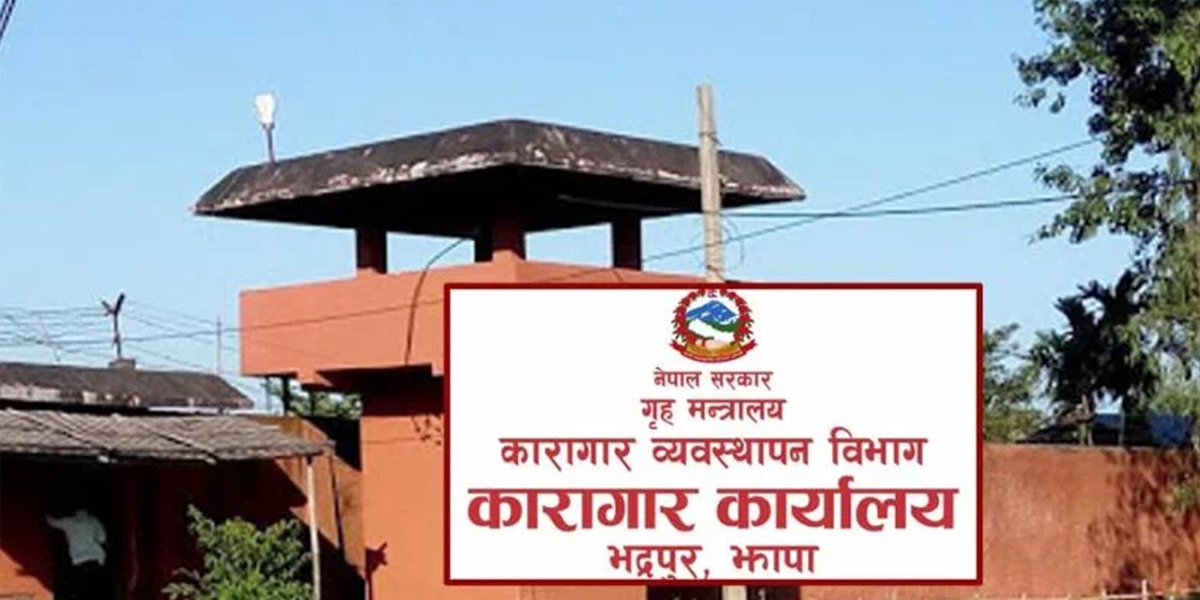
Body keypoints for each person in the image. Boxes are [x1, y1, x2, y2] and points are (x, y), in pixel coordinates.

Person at [45, 509, 109, 599]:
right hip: (96, 559)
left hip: (79, 561)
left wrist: (45, 513)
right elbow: (102, 538)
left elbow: (52, 522)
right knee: (97, 590)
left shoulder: (68, 521)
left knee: (81, 591)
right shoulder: (93, 520)